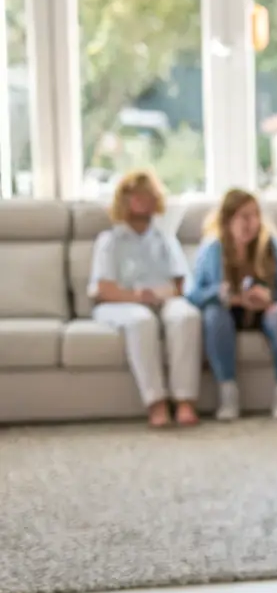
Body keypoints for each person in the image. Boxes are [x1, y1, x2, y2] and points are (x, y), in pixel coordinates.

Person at [89, 168, 201, 429]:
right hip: (121, 303)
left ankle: (184, 400)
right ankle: (156, 403)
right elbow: (104, 289)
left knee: (186, 316)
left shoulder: (164, 237)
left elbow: (182, 285)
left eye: (147, 195)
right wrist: (137, 296)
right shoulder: (110, 241)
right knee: (141, 322)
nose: (142, 201)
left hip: (162, 298)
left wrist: (159, 295)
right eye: (135, 196)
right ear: (124, 200)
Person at [187, 189, 277, 422]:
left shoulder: (272, 246)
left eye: (254, 215)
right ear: (227, 220)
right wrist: (224, 295)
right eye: (243, 216)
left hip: (264, 314)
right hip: (228, 315)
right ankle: (228, 395)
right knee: (213, 315)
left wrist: (269, 298)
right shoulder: (213, 249)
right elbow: (192, 295)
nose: (250, 223)